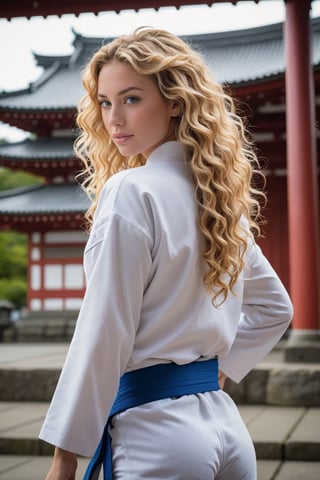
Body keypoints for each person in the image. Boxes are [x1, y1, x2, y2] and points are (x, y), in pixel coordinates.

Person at [39, 27, 293, 480]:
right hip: (228, 429)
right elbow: (276, 308)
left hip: (154, 433)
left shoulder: (130, 190)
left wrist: (64, 456)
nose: (114, 118)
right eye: (105, 101)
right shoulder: (217, 200)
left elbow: (104, 332)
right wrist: (218, 372)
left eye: (132, 99)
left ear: (175, 101)